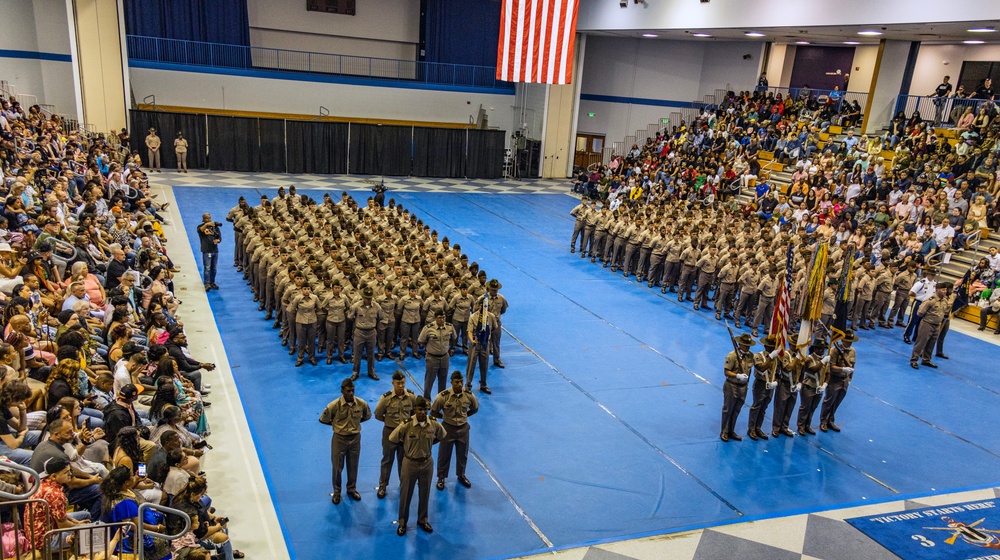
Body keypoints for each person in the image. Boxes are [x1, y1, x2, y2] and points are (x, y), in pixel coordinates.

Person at [390, 395, 444, 536]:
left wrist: (429, 445)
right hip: (410, 463)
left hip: (427, 462)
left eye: (424, 410)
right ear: (414, 409)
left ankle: (422, 520)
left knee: (425, 493)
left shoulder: (433, 423)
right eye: (419, 409)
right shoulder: (407, 424)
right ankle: (402, 522)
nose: (422, 412)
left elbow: (442, 435)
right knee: (405, 494)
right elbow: (393, 437)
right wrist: (407, 446)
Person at [319, 377, 371, 504]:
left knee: (353, 466)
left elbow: (366, 416)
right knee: (337, 467)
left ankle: (351, 489)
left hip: (355, 438)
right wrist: (337, 426)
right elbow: (323, 419)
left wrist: (354, 426)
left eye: (353, 390)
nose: (351, 393)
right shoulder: (334, 406)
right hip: (339, 439)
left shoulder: (361, 403)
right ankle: (337, 492)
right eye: (348, 391)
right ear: (342, 391)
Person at [432, 371, 478, 490]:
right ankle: (441, 477)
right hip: (448, 428)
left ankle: (461, 475)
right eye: (457, 382)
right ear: (451, 382)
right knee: (444, 454)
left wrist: (465, 416)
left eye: (461, 382)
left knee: (463, 454)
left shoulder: (468, 395)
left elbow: (475, 407)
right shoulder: (443, 396)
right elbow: (433, 411)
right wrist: (445, 417)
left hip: (463, 428)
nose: (459, 384)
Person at [374, 371, 415, 499]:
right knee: (387, 460)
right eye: (398, 383)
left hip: (405, 434)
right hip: (389, 432)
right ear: (393, 383)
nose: (401, 386)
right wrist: (389, 422)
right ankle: (383, 485)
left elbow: (414, 413)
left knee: (404, 460)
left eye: (402, 383)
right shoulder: (386, 399)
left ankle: (404, 483)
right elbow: (378, 414)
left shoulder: (411, 397)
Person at [819, 330, 858, 432]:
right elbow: (831, 367)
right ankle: (823, 421)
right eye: (848, 341)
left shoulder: (852, 351)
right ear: (843, 340)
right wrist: (842, 369)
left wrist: (850, 379)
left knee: (837, 402)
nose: (849, 343)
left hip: (845, 380)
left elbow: (853, 366)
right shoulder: (834, 350)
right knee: (829, 401)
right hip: (834, 380)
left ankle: (830, 420)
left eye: (851, 342)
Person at [910, 282, 952, 369]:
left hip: (937, 325)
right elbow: (920, 312)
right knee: (921, 343)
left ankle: (926, 359)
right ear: (937, 290)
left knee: (931, 343)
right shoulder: (930, 300)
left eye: (945, 290)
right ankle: (914, 360)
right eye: (943, 290)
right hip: (927, 323)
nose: (945, 291)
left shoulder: (944, 300)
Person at [720, 333, 754, 442]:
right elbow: (726, 372)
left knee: (736, 410)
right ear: (740, 344)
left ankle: (731, 430)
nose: (747, 347)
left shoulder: (750, 356)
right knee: (728, 409)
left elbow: (749, 370)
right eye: (745, 345)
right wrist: (737, 375)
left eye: (748, 345)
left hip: (743, 387)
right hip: (732, 385)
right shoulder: (732, 356)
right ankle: (724, 431)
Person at [746, 335, 780, 441]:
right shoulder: (758, 356)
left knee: (764, 407)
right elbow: (761, 368)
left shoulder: (776, 358)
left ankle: (758, 427)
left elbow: (778, 373)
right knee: (756, 406)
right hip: (760, 384)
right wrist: (770, 357)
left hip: (771, 385)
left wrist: (775, 382)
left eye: (774, 346)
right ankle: (751, 429)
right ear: (765, 346)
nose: (772, 348)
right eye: (770, 346)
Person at [417, 310, 457, 400]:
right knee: (429, 380)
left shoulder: (450, 327)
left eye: (443, 317)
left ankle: (441, 399)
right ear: (435, 318)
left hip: (444, 357)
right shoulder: (428, 328)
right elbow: (420, 340)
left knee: (443, 380)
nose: (442, 320)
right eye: (439, 318)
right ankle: (427, 399)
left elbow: (454, 337)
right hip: (432, 358)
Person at [349, 286, 383, 381]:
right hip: (359, 332)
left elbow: (381, 317)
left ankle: (371, 372)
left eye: (370, 298)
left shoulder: (377, 307)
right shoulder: (356, 306)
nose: (368, 300)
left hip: (371, 332)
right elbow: (350, 317)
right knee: (357, 354)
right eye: (367, 298)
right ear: (363, 297)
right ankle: (355, 373)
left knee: (371, 354)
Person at [466, 296, 499, 394]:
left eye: (487, 306)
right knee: (471, 365)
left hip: (485, 343)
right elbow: (470, 330)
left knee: (484, 365)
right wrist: (472, 340)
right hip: (475, 343)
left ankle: (483, 384)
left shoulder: (491, 316)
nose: (487, 307)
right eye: (485, 305)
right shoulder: (473, 317)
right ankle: (468, 385)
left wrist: (487, 337)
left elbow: (493, 328)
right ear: (480, 305)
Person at [797, 339, 830, 436]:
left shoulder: (825, 359)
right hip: (809, 386)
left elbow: (828, 373)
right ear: (815, 348)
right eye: (820, 349)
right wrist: (823, 361)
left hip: (819, 387)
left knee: (812, 408)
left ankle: (807, 425)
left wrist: (825, 384)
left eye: (823, 349)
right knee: (805, 407)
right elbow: (814, 369)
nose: (822, 351)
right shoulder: (809, 359)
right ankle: (801, 426)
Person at [486, 279, 508, 368]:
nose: (495, 292)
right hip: (486, 324)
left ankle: (497, 360)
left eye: (496, 290)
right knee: (485, 343)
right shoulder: (484, 298)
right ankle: (484, 361)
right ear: (489, 289)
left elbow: (503, 309)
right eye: (493, 290)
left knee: (496, 343)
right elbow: (477, 310)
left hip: (497, 324)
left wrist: (496, 317)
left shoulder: (501, 298)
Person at [197, 214, 221, 291]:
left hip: (215, 250)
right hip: (206, 251)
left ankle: (212, 282)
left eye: (209, 218)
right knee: (207, 268)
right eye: (206, 218)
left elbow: (219, 238)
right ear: (203, 219)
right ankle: (207, 284)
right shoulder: (200, 227)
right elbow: (200, 230)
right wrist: (207, 224)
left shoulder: (215, 227)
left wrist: (218, 241)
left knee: (214, 268)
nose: (209, 219)